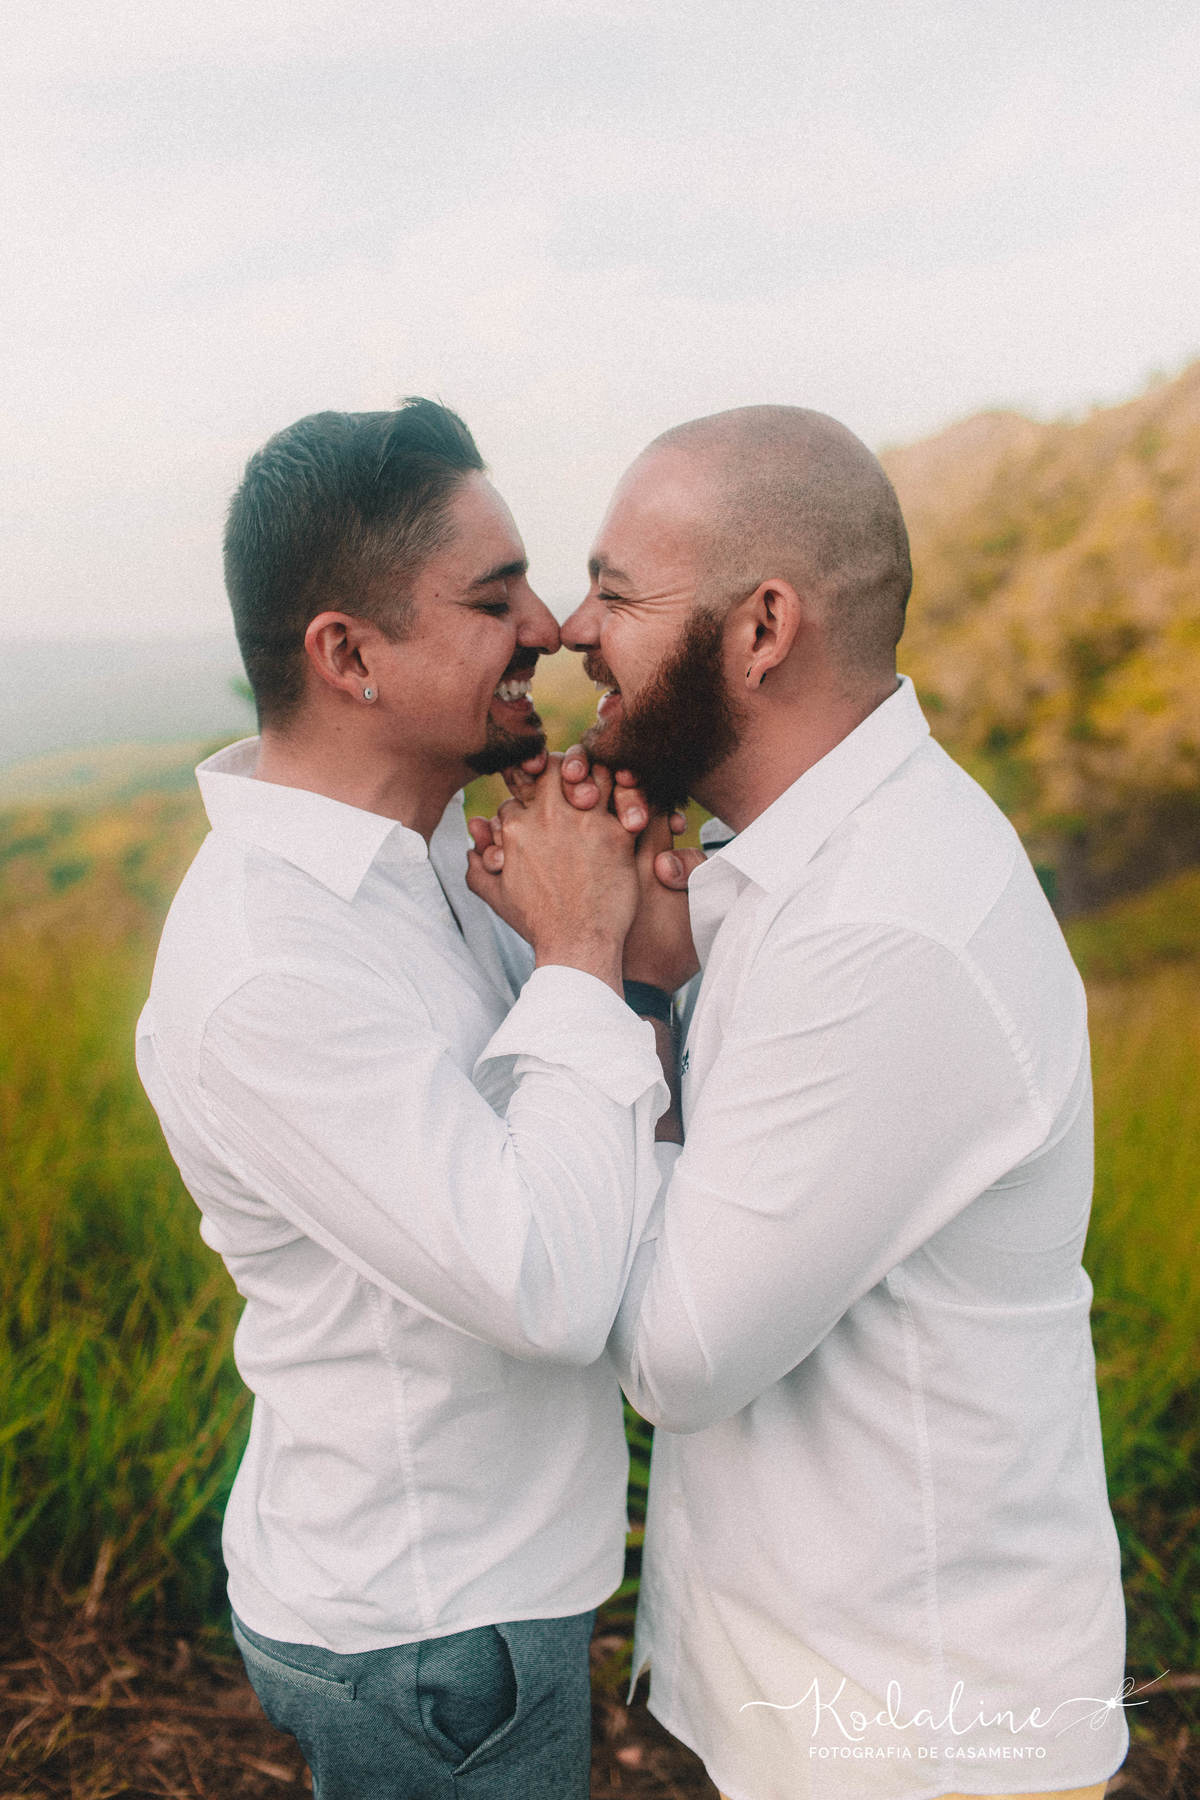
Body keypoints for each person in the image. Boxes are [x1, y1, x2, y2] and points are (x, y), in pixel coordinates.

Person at [472, 406, 1128, 1800]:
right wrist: (653, 988)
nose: (574, 630)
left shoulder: (882, 925)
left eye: (618, 592)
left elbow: (680, 1358)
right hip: (837, 1709)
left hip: (926, 1739)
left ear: (763, 629)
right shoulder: (801, 875)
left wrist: (582, 962)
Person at [134, 399, 681, 1800]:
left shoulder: (427, 851)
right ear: (348, 656)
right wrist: (579, 948)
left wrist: (635, 959)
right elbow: (545, 1284)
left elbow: (575, 1145)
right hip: (429, 1626)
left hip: (490, 1580)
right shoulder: (271, 968)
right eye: (494, 600)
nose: (550, 626)